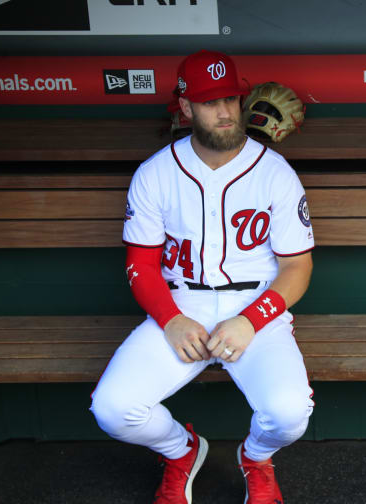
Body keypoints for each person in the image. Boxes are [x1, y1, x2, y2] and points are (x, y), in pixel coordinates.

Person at [91, 50, 315, 504]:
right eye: (210, 102)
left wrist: (251, 320)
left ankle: (255, 458)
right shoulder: (155, 173)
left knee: (289, 415)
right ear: (187, 106)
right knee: (113, 411)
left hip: (254, 308)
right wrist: (170, 319)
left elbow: (297, 267)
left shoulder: (275, 173)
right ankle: (181, 451)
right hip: (181, 305)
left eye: (231, 98)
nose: (225, 111)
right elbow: (141, 264)